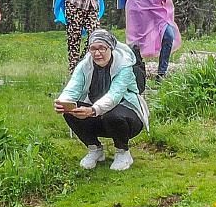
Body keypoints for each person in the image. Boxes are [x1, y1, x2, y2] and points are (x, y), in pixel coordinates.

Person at [55, 27, 149, 171]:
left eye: (102, 48)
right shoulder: (85, 65)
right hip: (97, 112)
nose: (97, 53)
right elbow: (73, 87)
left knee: (113, 115)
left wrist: (93, 110)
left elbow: (114, 96)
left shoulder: (124, 66)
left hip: (128, 115)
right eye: (93, 49)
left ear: (110, 48)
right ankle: (95, 150)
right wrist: (63, 102)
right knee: (70, 111)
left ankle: (123, 152)